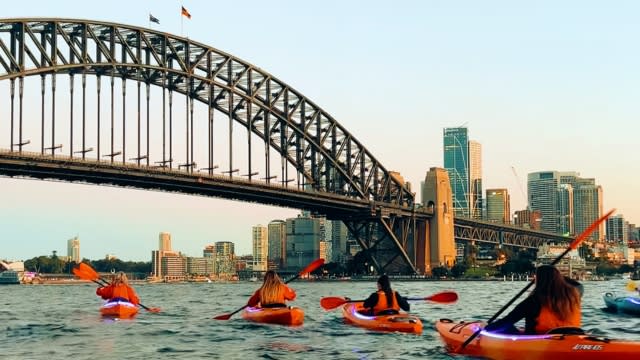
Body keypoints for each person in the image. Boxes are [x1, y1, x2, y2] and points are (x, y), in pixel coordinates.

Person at [485, 265, 582, 335]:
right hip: (573, 335)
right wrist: (557, 276)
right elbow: (578, 285)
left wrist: (485, 329)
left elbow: (508, 321)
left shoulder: (534, 301)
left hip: (540, 338)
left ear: (539, 280)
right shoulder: (573, 296)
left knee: (505, 327)